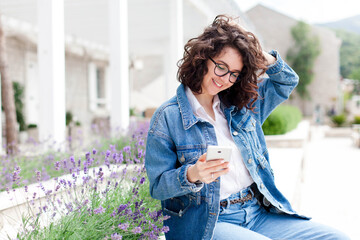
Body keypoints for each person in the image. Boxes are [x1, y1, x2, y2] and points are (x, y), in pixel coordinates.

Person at [145, 15, 350, 240]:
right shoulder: (168, 117)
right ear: (202, 57)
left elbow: (287, 81)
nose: (225, 79)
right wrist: (193, 174)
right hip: (209, 221)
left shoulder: (241, 105)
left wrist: (253, 50)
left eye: (234, 73)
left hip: (257, 213)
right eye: (221, 67)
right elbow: (157, 187)